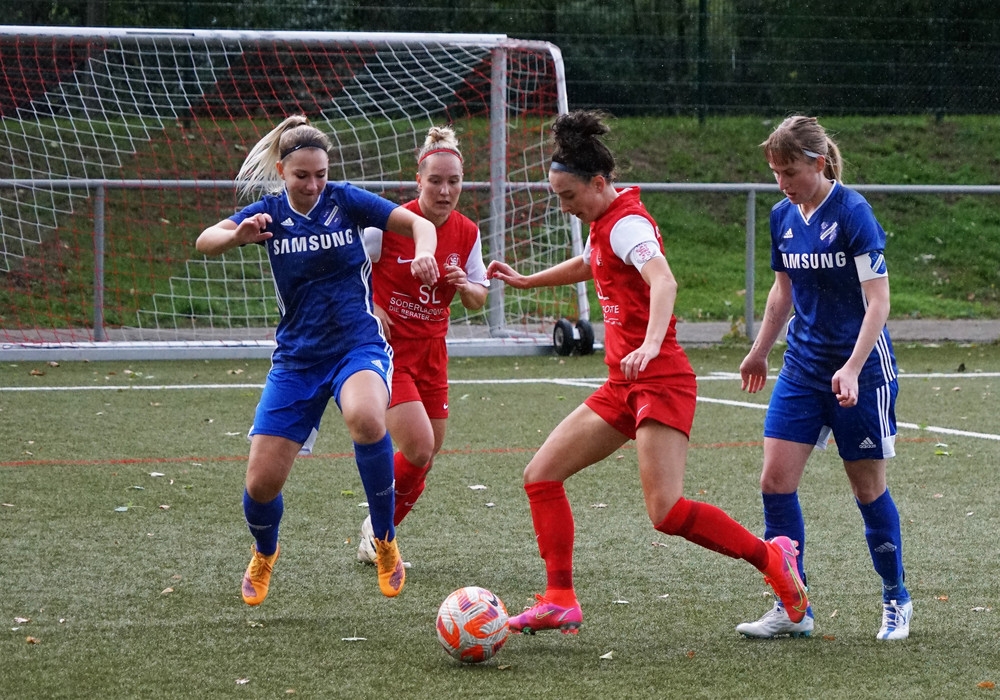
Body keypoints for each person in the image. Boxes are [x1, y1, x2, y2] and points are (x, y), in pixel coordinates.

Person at [486, 110, 809, 636]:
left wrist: (652, 343)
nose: (564, 206)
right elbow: (590, 263)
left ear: (598, 183)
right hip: (623, 383)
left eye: (568, 196)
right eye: (558, 197)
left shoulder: (628, 224)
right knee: (540, 475)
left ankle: (773, 559)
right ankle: (559, 599)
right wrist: (526, 281)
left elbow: (664, 281)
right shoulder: (603, 226)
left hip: (661, 380)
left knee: (666, 511)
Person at [195, 115, 438, 605]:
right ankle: (265, 551)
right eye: (301, 176)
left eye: (320, 175)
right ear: (282, 171)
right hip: (297, 360)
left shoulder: (344, 200)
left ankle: (385, 539)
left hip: (357, 345)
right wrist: (237, 235)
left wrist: (425, 253)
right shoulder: (267, 213)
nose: (312, 185)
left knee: (366, 417)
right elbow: (205, 240)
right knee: (261, 485)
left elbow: (419, 223)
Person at [737, 115, 911, 641]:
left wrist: (853, 367)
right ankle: (793, 606)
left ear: (818, 163)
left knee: (867, 489)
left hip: (863, 370)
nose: (781, 183)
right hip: (803, 367)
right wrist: (759, 352)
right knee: (774, 482)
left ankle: (896, 597)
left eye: (789, 171)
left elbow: (878, 301)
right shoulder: (782, 217)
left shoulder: (853, 212)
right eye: (775, 172)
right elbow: (782, 291)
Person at [355, 126, 489, 562]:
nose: (445, 191)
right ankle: (380, 533)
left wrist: (465, 285)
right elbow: (346, 272)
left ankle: (375, 531)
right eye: (435, 181)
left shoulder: (468, 233)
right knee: (418, 447)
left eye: (454, 182)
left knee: (425, 457)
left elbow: (478, 298)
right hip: (388, 352)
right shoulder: (389, 223)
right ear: (418, 181)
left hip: (434, 352)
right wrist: (372, 306)